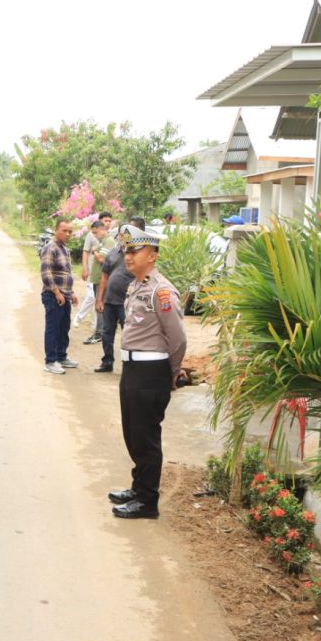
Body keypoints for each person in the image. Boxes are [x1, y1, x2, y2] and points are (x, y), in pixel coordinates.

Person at [108, 224, 189, 520]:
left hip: (151, 371)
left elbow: (178, 338)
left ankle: (147, 501)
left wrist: (172, 372)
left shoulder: (161, 291)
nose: (128, 257)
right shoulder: (136, 286)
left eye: (135, 250)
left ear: (152, 255)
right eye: (126, 251)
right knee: (133, 432)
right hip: (132, 368)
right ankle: (138, 487)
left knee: (146, 436)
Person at [95, 216, 146, 374]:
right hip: (110, 301)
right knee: (106, 333)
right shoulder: (113, 252)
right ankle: (107, 361)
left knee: (129, 335)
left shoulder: (140, 254)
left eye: (128, 232)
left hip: (128, 303)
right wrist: (100, 299)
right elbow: (104, 278)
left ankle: (129, 366)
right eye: (122, 232)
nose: (124, 235)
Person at [41, 218, 78, 374]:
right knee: (53, 329)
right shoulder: (50, 248)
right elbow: (46, 273)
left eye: (70, 231)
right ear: (56, 230)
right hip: (53, 296)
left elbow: (66, 273)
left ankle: (62, 356)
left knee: (64, 328)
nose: (68, 234)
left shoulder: (64, 248)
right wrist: (56, 292)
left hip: (64, 296)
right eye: (64, 230)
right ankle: (50, 361)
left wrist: (71, 293)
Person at [73, 218, 112, 344]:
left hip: (102, 280)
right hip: (96, 280)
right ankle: (100, 332)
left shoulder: (108, 241)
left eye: (95, 233)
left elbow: (101, 259)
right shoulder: (101, 242)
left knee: (100, 306)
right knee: (98, 306)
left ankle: (99, 333)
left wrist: (95, 251)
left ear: (102, 229)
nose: (94, 236)